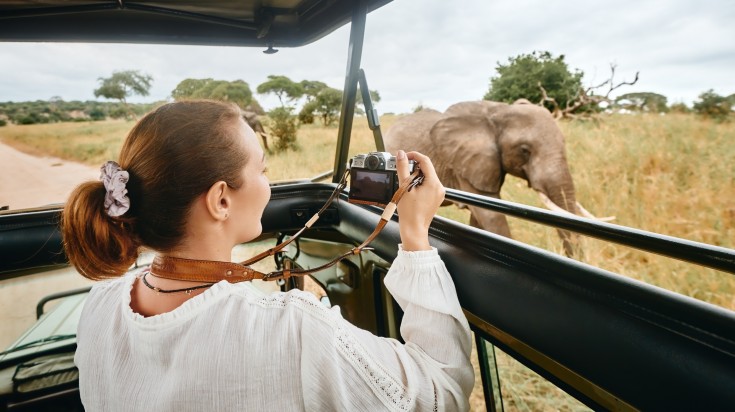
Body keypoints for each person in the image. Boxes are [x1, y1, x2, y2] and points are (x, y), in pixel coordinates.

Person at [62, 100, 474, 411]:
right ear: (221, 200)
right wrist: (416, 235)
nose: (268, 184)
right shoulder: (291, 329)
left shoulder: (100, 306)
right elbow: (441, 392)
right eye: (262, 170)